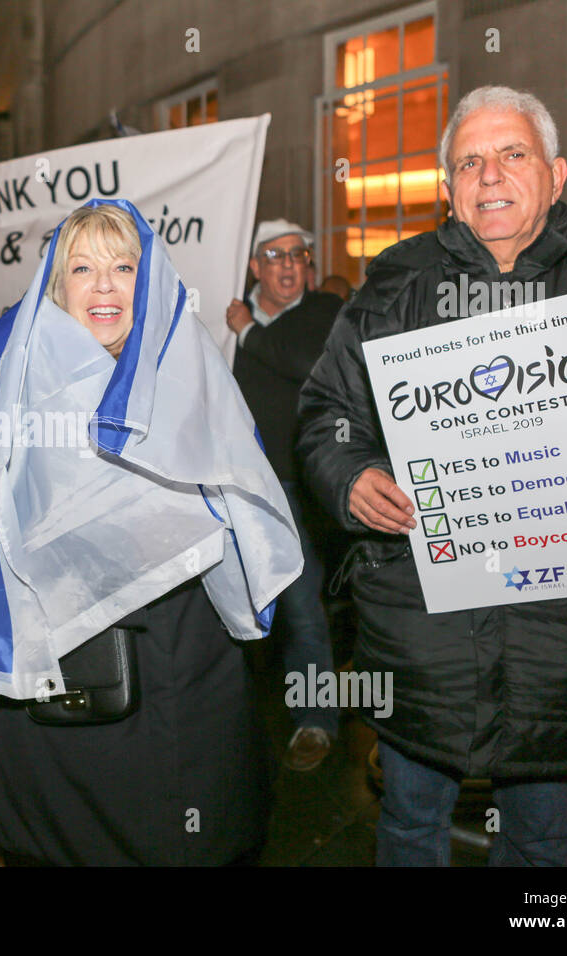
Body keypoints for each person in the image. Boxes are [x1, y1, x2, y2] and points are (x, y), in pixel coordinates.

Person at [297, 85, 567, 866]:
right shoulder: (390, 288)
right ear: (446, 189)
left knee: (542, 841)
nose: (490, 176)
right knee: (409, 825)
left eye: (512, 155)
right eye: (469, 162)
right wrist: (348, 478)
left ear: (556, 172)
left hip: (565, 642)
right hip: (423, 635)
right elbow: (324, 414)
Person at [0, 200, 303, 865]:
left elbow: (234, 495)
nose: (106, 285)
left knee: (177, 832)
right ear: (57, 287)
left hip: (178, 651)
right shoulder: (20, 382)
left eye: (124, 266)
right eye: (83, 268)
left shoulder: (189, 368)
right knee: (73, 836)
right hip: (69, 652)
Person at [226, 219, 345, 771]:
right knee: (230, 606)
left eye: (298, 254)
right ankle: (224, 725)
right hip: (230, 484)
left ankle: (315, 720)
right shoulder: (221, 314)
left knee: (301, 606)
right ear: (255, 265)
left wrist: (247, 329)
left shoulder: (320, 311)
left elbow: (301, 362)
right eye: (275, 255)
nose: (289, 264)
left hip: (292, 486)